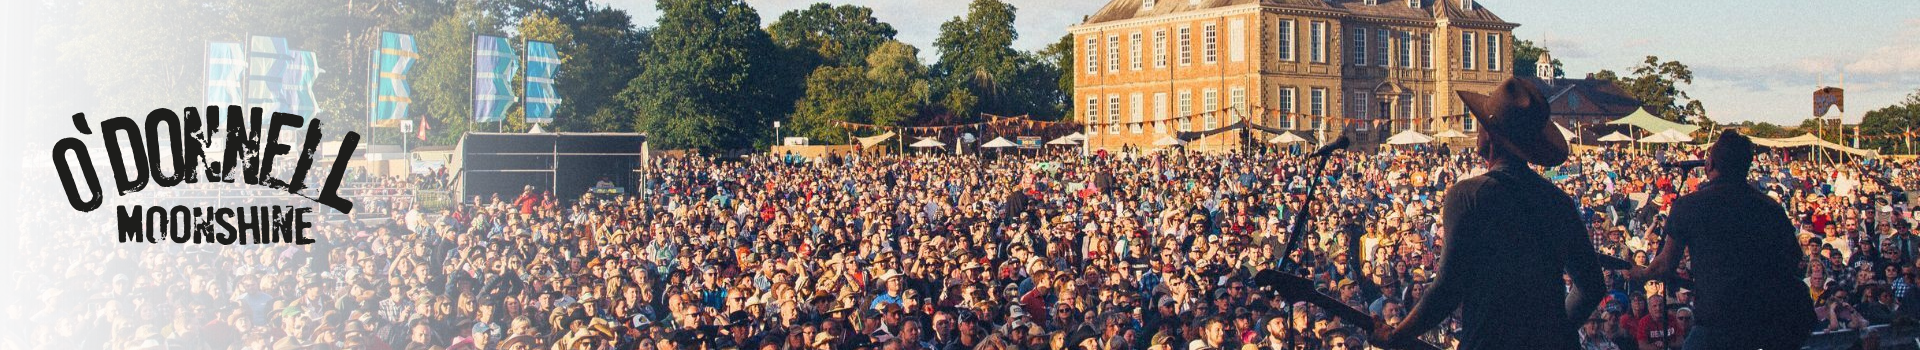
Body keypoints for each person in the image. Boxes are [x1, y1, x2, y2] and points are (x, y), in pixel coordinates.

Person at [1370, 78, 1606, 350]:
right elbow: (1591, 285)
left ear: (1490, 136)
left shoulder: (1469, 195)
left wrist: (1396, 336)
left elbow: (1447, 289)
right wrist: (1554, 332)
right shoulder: (1558, 202)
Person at [1629, 129, 1816, 349]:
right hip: (1766, 322)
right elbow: (1794, 259)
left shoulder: (1691, 205)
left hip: (1718, 325)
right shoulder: (1769, 207)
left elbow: (1665, 264)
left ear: (1710, 165)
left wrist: (1639, 273)